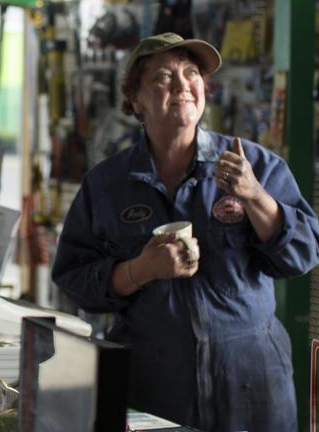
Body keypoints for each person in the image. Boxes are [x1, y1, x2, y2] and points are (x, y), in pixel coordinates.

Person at [52, 32, 319, 432]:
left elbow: (304, 253)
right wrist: (140, 269)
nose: (181, 84)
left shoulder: (254, 165)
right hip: (155, 384)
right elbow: (73, 280)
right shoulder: (107, 184)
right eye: (163, 76)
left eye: (191, 72)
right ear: (136, 100)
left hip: (252, 380)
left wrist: (255, 195)